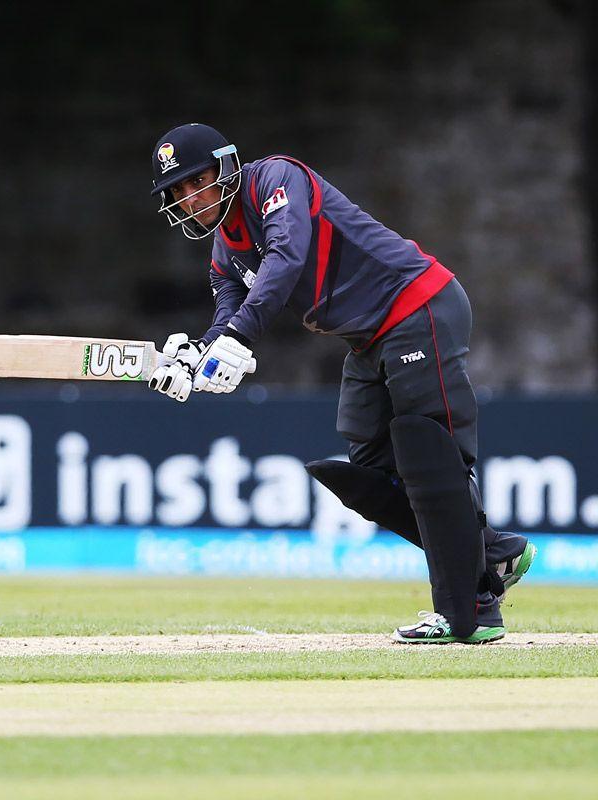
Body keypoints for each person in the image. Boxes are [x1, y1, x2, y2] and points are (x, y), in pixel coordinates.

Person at [144, 123, 536, 644]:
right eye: (178, 192)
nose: (190, 198)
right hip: (369, 337)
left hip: (417, 304)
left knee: (428, 453)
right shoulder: (223, 249)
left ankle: (469, 609)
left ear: (227, 165)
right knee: (372, 471)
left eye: (198, 181)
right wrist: (199, 358)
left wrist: (239, 337)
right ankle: (491, 556)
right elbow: (227, 310)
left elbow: (286, 257)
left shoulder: (276, 180)